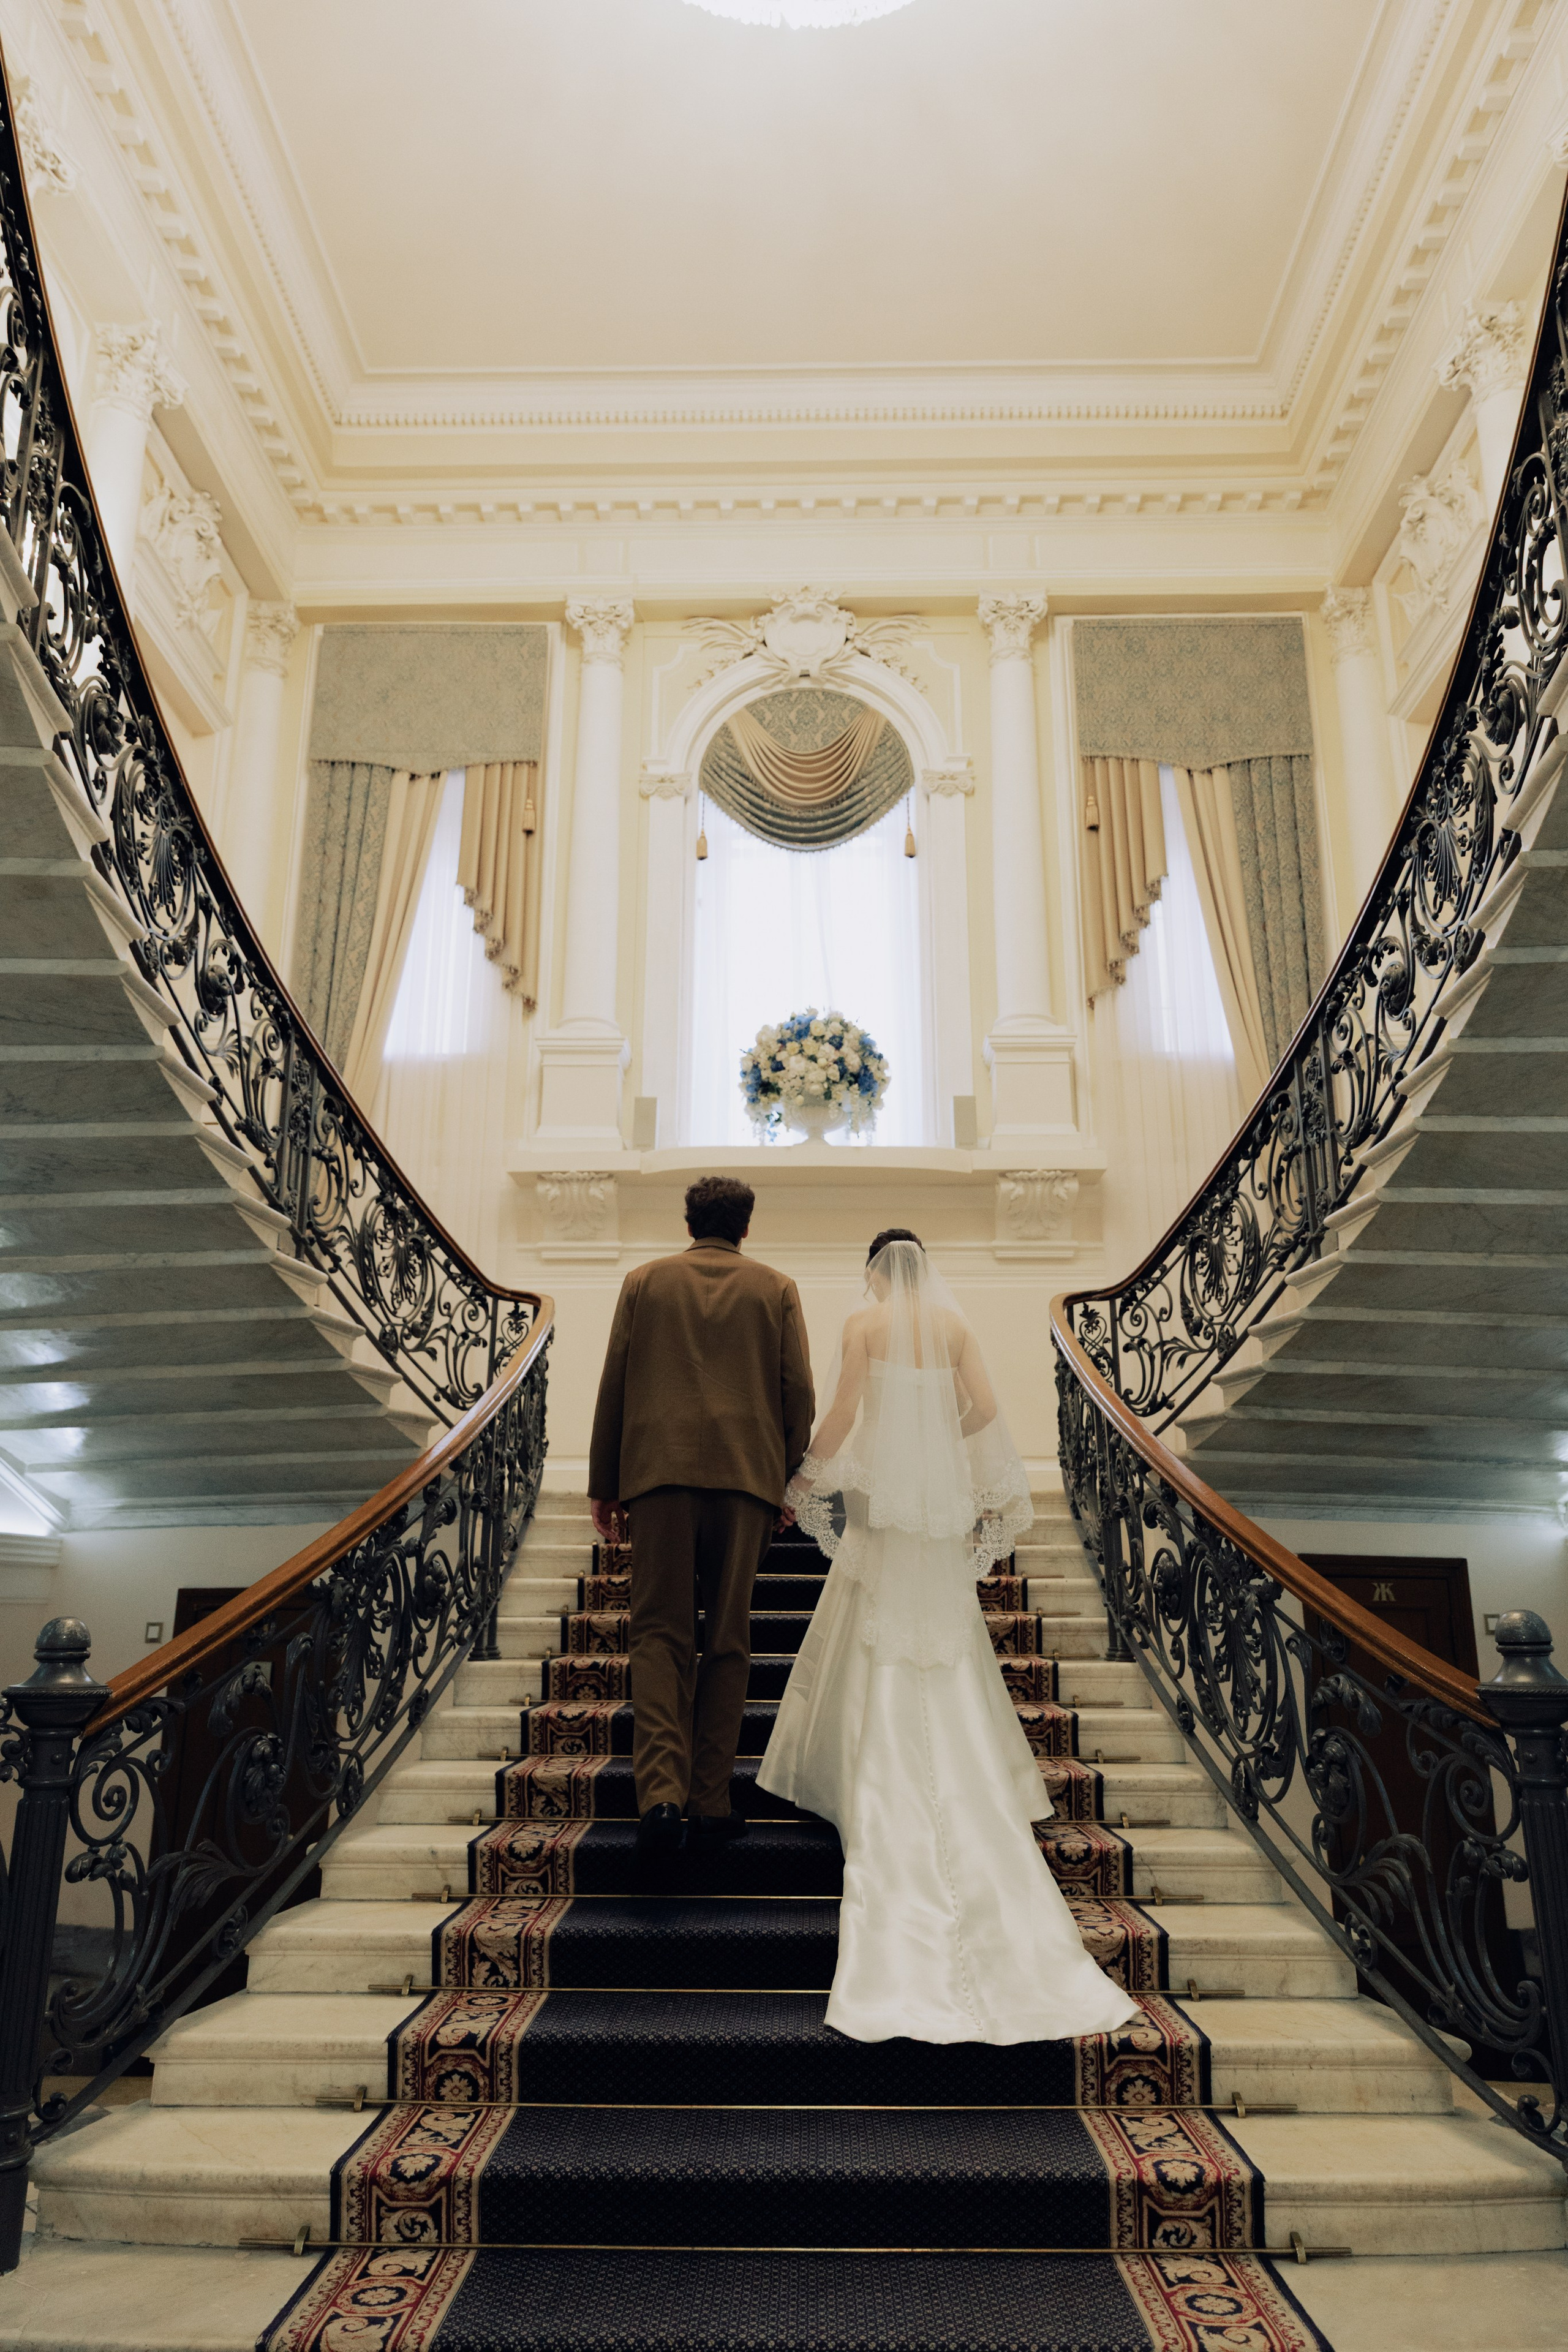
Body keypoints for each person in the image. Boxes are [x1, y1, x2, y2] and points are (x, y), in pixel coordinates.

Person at [758, 1230, 1139, 2045]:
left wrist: (802, 1481)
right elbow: (988, 1412)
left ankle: (870, 1777)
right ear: (926, 1267)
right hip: (936, 1503)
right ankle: (980, 1783)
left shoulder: (865, 1325)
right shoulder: (956, 1327)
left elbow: (846, 1414)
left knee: (876, 1626)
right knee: (949, 1639)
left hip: (886, 1501)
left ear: (872, 1272)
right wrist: (933, 1433)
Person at [589, 1175, 815, 1854]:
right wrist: (783, 1478)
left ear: (689, 1223)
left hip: (657, 1476)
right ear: (746, 1227)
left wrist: (606, 1482)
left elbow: (616, 1381)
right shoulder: (775, 1288)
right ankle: (711, 1799)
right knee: (727, 1637)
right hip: (746, 1480)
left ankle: (659, 1796)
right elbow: (796, 1393)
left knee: (657, 1633)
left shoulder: (643, 1281)